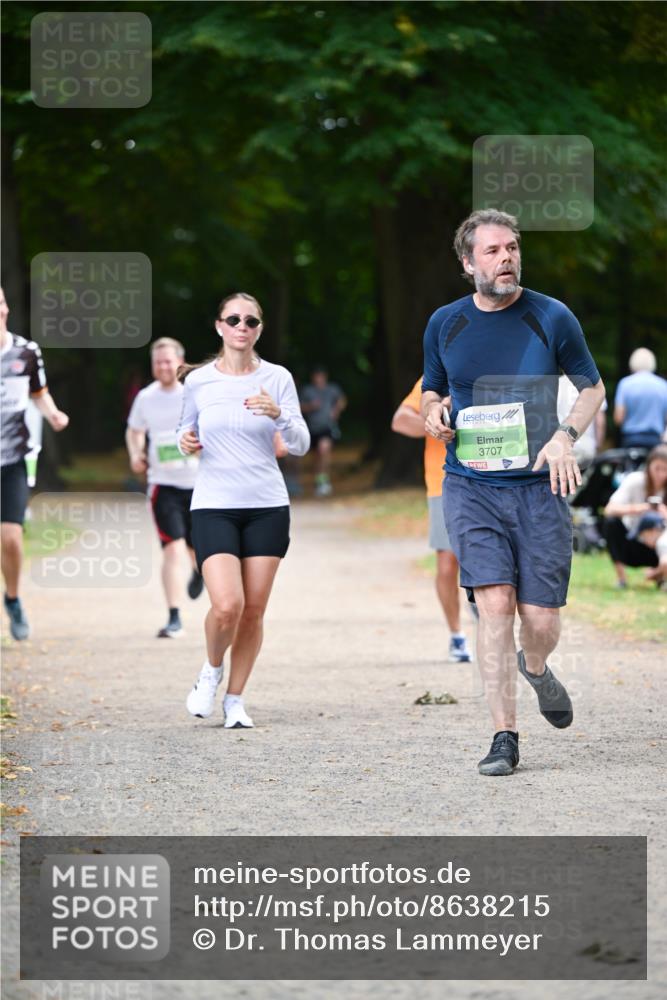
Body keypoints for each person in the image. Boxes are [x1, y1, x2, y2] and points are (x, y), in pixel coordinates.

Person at [421, 210, 605, 777]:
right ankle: (505, 735)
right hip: (470, 485)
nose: (507, 258)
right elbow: (432, 390)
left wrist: (564, 437)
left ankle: (537, 665)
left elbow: (592, 388)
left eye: (512, 248)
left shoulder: (551, 316)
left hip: (539, 487)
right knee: (494, 605)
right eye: (493, 250)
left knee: (540, 621)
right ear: (468, 262)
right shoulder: (445, 323)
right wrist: (434, 413)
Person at [177, 293, 310, 728]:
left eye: (251, 321)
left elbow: (300, 443)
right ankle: (211, 669)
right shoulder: (199, 382)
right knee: (227, 605)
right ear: (219, 326)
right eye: (233, 319)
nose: (242, 326)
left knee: (253, 610)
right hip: (214, 504)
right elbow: (184, 429)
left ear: (259, 329)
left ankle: (235, 700)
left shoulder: (277, 378)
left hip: (266, 505)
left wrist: (280, 415)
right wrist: (185, 441)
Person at [1, 287, 69, 640]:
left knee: (11, 538)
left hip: (12, 459)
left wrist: (53, 414)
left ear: (6, 308)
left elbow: (39, 393)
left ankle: (13, 599)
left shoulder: (26, 351)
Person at [126, 338, 203, 638]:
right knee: (172, 549)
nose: (163, 367)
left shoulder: (196, 393)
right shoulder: (146, 397)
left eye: (168, 361)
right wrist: (136, 454)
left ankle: (198, 571)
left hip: (200, 484)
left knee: (199, 549)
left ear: (180, 362)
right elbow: (135, 430)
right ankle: (174, 617)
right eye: (157, 362)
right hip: (163, 485)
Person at [392, 378, 473, 663]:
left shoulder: (492, 368)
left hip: (491, 478)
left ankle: (488, 611)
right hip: (444, 481)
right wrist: (434, 424)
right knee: (447, 563)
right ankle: (457, 635)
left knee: (490, 557)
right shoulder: (436, 378)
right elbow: (400, 420)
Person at [603, 443, 667, 588]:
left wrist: (663, 513)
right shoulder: (635, 480)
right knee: (610, 522)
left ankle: (659, 574)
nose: (660, 474)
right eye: (657, 468)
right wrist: (641, 508)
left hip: (660, 543)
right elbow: (609, 509)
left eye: (665, 469)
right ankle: (622, 578)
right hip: (633, 541)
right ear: (649, 466)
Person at [300, 366, 347, 496]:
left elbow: (342, 400)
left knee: (324, 450)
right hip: (312, 427)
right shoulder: (308, 390)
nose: (318, 379)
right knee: (316, 456)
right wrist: (311, 406)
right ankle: (318, 480)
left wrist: (336, 411)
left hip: (327, 427)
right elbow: (299, 407)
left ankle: (325, 480)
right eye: (316, 376)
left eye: (320, 376)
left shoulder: (332, 389)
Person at [614, 348, 667, 449]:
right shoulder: (663, 385)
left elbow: (619, 418)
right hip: (655, 441)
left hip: (631, 440)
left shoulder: (625, 384)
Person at [557, 373, 607, 467]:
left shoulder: (556, 384)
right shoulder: (594, 384)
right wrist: (598, 446)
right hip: (587, 446)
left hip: (563, 446)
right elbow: (600, 422)